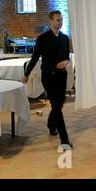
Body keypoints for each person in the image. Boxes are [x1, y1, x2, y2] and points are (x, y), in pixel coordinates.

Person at [23, 11, 72, 148]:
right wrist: (26, 74)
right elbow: (35, 58)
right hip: (48, 76)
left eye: (61, 20)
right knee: (57, 106)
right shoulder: (42, 39)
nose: (60, 22)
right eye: (57, 20)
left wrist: (65, 63)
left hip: (61, 76)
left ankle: (51, 124)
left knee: (58, 105)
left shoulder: (64, 38)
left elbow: (67, 56)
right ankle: (64, 140)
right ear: (50, 21)